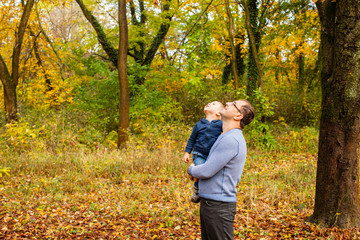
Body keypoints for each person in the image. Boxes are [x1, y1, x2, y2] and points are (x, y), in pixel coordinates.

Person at [188, 99, 255, 240]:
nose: (228, 102)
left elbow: (206, 171)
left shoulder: (231, 139)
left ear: (238, 116)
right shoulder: (224, 136)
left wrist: (192, 170)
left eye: (234, 103)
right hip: (210, 203)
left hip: (219, 207)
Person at [183, 101, 225, 203]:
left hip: (212, 155)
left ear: (218, 113)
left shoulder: (221, 124)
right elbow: (192, 139)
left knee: (211, 174)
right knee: (202, 171)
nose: (209, 103)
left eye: (213, 104)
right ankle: (197, 190)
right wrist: (187, 152)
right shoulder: (199, 124)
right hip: (199, 154)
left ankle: (209, 191)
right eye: (209, 103)